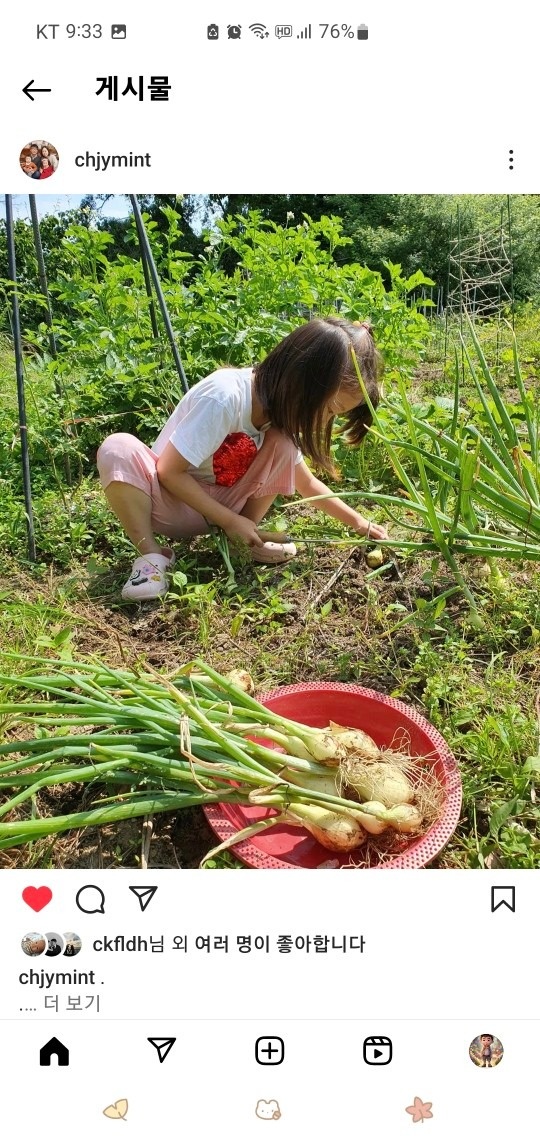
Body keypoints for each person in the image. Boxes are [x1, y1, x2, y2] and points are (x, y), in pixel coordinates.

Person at [97, 317, 389, 601]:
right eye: (328, 410)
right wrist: (229, 520)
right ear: (301, 382)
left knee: (283, 446)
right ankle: (150, 558)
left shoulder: (278, 420)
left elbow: (307, 484)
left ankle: (244, 542)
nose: (324, 422)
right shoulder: (225, 397)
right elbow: (169, 472)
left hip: (226, 510)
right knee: (117, 448)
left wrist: (360, 524)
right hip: (170, 502)